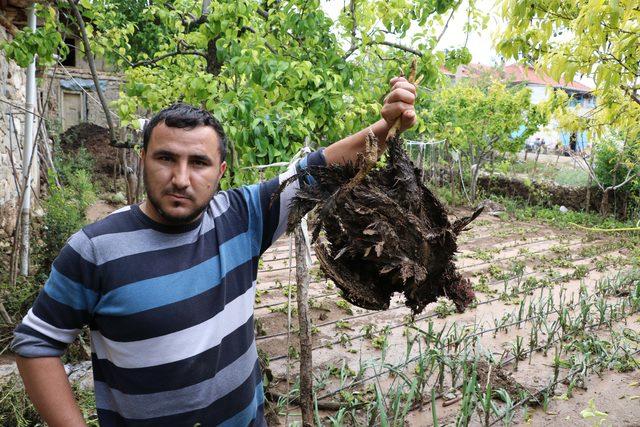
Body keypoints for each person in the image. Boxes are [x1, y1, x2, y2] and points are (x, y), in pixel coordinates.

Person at [10, 76, 417, 426]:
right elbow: (37, 342)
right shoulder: (95, 249)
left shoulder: (244, 218)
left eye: (199, 162)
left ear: (221, 172)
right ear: (142, 161)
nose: (181, 178)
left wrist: (385, 125)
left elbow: (323, 166)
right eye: (166, 158)